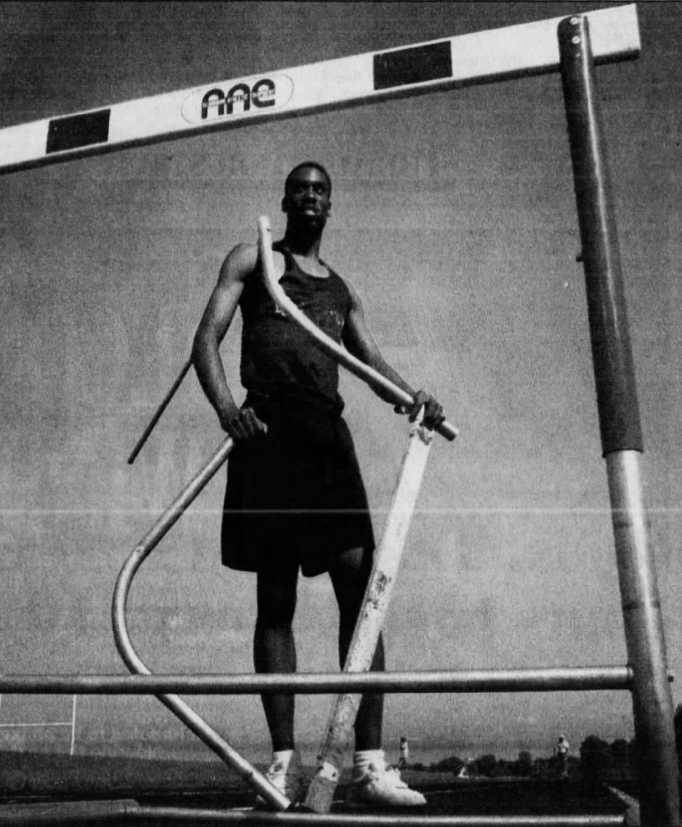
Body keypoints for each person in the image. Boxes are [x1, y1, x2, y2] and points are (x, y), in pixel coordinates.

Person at [192, 162, 445, 808]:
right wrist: (227, 410)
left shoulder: (341, 291)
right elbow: (206, 340)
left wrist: (413, 395)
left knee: (362, 594)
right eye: (299, 187)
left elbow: (368, 364)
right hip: (268, 433)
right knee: (275, 598)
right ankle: (283, 761)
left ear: (331, 205)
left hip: (326, 443)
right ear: (284, 200)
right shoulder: (253, 261)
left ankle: (367, 761)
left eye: (320, 189)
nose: (309, 196)